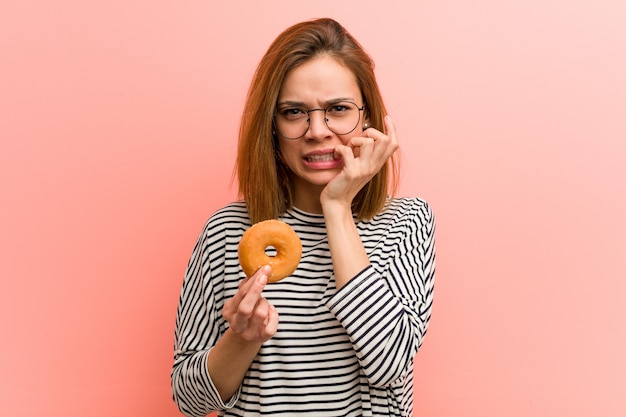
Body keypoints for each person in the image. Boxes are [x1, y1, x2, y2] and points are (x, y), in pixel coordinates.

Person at [171, 17, 436, 417]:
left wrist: (337, 207)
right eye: (294, 112)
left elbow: (390, 364)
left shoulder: (405, 222)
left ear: (367, 117)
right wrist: (242, 339)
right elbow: (188, 401)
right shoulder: (227, 231)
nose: (317, 131)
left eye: (338, 109)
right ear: (272, 126)